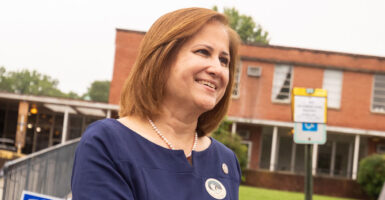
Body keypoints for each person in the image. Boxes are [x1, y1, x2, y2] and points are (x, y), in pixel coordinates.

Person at [71, 7, 241, 200]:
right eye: (203, 52)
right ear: (162, 58)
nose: (217, 69)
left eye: (224, 60)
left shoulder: (226, 161)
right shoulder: (107, 143)